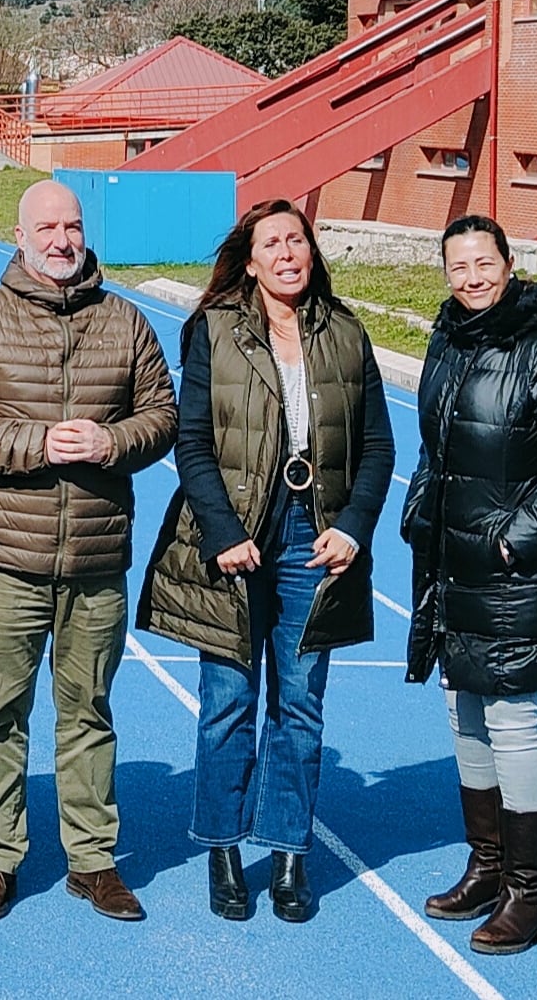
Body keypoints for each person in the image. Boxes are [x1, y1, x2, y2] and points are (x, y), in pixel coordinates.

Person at [136, 197, 391, 925]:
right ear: (248, 260)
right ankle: (221, 849)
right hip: (237, 547)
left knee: (300, 708)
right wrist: (221, 531)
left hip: (315, 544)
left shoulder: (346, 333)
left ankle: (287, 854)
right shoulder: (214, 332)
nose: (286, 253)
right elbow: (192, 443)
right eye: (271, 243)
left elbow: (377, 447)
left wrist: (353, 527)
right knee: (227, 704)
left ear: (311, 251)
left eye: (296, 240)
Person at [0, 178, 174, 923]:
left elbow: (163, 415)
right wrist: (35, 444)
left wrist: (114, 441)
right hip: (7, 554)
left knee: (88, 711)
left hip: (97, 558)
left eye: (71, 225)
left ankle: (92, 858)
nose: (61, 238)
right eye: (46, 226)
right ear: (18, 235)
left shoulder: (125, 320)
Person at [403, 214, 537, 954]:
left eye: (482, 263)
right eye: (457, 266)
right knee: (462, 706)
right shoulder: (449, 338)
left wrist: (511, 541)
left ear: (508, 261)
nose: (470, 278)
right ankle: (485, 864)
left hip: (516, 571)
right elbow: (439, 447)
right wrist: (421, 506)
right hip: (453, 564)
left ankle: (529, 893)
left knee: (511, 717)